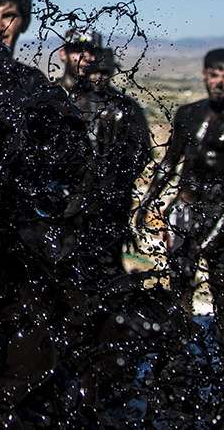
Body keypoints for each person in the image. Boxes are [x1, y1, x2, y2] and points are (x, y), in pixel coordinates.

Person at [137, 48, 224, 352]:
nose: (219, 82)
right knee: (180, 280)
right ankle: (180, 349)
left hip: (222, 212)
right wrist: (146, 201)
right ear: (204, 74)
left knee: (222, 289)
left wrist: (217, 232)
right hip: (186, 207)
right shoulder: (187, 114)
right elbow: (170, 162)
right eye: (214, 74)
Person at [60, 38, 152, 275]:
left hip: (111, 202)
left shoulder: (125, 107)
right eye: (94, 73)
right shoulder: (73, 102)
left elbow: (141, 153)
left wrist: (116, 182)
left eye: (104, 73)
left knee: (107, 260)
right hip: (74, 199)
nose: (98, 78)